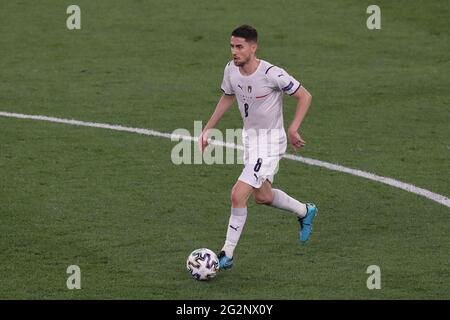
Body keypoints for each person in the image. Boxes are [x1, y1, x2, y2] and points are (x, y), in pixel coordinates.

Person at [198, 25, 317, 270]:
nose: (234, 51)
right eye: (232, 46)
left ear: (254, 47)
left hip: (271, 143)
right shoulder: (231, 69)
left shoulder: (272, 74)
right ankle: (305, 211)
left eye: (239, 47)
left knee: (237, 194)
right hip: (251, 141)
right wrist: (208, 127)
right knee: (262, 196)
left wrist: (293, 128)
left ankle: (226, 253)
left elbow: (305, 96)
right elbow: (228, 96)